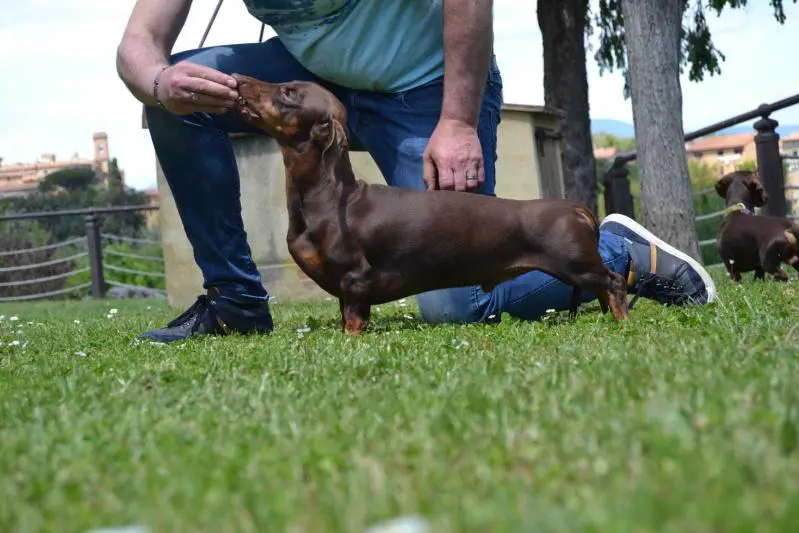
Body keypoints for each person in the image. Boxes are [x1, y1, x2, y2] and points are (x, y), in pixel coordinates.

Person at [116, 0, 716, 343]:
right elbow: (139, 43)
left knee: (458, 309)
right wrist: (161, 81)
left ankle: (613, 253)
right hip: (315, 79)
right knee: (175, 98)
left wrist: (456, 120)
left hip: (422, 83)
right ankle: (235, 304)